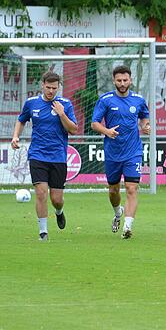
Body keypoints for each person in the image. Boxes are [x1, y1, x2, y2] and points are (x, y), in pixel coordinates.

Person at [11, 71, 78, 241]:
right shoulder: (32, 103)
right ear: (42, 85)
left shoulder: (65, 104)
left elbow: (73, 129)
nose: (50, 91)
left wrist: (62, 113)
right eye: (48, 87)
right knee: (41, 193)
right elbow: (21, 119)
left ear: (58, 87)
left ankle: (59, 211)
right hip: (37, 155)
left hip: (58, 157)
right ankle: (43, 233)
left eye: (54, 88)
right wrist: (15, 136)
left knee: (56, 199)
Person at [90, 65, 151, 239]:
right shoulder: (106, 100)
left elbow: (144, 117)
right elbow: (94, 123)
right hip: (113, 153)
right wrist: (107, 131)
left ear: (130, 80)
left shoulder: (138, 100)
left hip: (133, 152)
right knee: (113, 191)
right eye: (119, 80)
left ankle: (128, 226)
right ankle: (118, 213)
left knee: (132, 188)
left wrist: (145, 126)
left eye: (125, 80)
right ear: (114, 80)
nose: (123, 83)